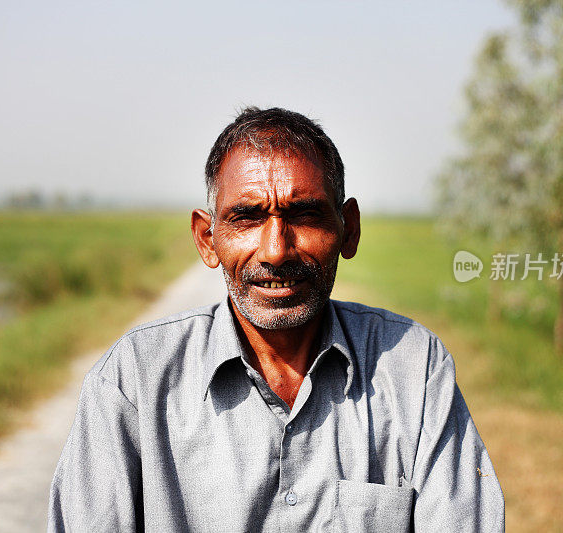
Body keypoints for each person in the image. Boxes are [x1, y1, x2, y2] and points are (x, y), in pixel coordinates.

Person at [48, 107, 504, 532]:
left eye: (304, 215)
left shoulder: (413, 370)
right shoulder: (135, 381)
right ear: (207, 239)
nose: (275, 250)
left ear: (349, 229)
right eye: (247, 217)